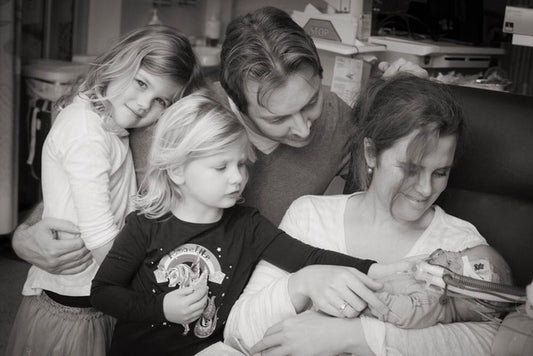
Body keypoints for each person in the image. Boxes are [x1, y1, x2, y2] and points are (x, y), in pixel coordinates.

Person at [89, 90, 397, 356]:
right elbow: (103, 292)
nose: (237, 178)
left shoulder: (247, 226)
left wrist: (380, 270)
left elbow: (308, 257)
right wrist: (162, 309)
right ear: (178, 171)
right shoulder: (145, 225)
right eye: (221, 167)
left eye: (241, 164)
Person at [224, 74, 501, 355]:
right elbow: (238, 335)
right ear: (371, 153)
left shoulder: (461, 248)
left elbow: (494, 342)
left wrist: (358, 336)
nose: (425, 189)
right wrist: (303, 282)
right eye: (411, 169)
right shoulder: (311, 217)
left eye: (440, 172)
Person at [6, 25, 204, 356]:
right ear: (117, 64)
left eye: (160, 100)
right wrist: (154, 290)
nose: (144, 104)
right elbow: (99, 237)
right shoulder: (87, 132)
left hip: (93, 290)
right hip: (76, 303)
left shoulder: (107, 122)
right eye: (141, 83)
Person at [363, 244, 517, 329]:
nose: (445, 254)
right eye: (458, 252)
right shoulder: (423, 282)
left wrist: (365, 297)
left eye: (451, 263)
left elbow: (400, 311)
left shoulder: (432, 301)